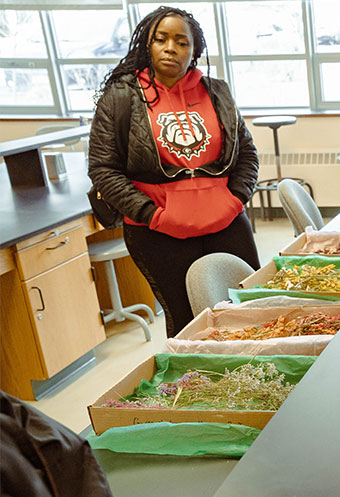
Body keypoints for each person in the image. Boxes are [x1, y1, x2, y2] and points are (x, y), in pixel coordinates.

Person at [88, 6, 260, 338]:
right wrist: (152, 215)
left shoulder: (217, 92)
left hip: (226, 222)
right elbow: (103, 169)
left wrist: (236, 199)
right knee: (187, 323)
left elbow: (247, 152)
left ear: (195, 50)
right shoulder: (122, 97)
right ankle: (196, 386)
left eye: (182, 42)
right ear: (147, 45)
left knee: (249, 308)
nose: (171, 48)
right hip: (158, 231)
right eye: (161, 39)